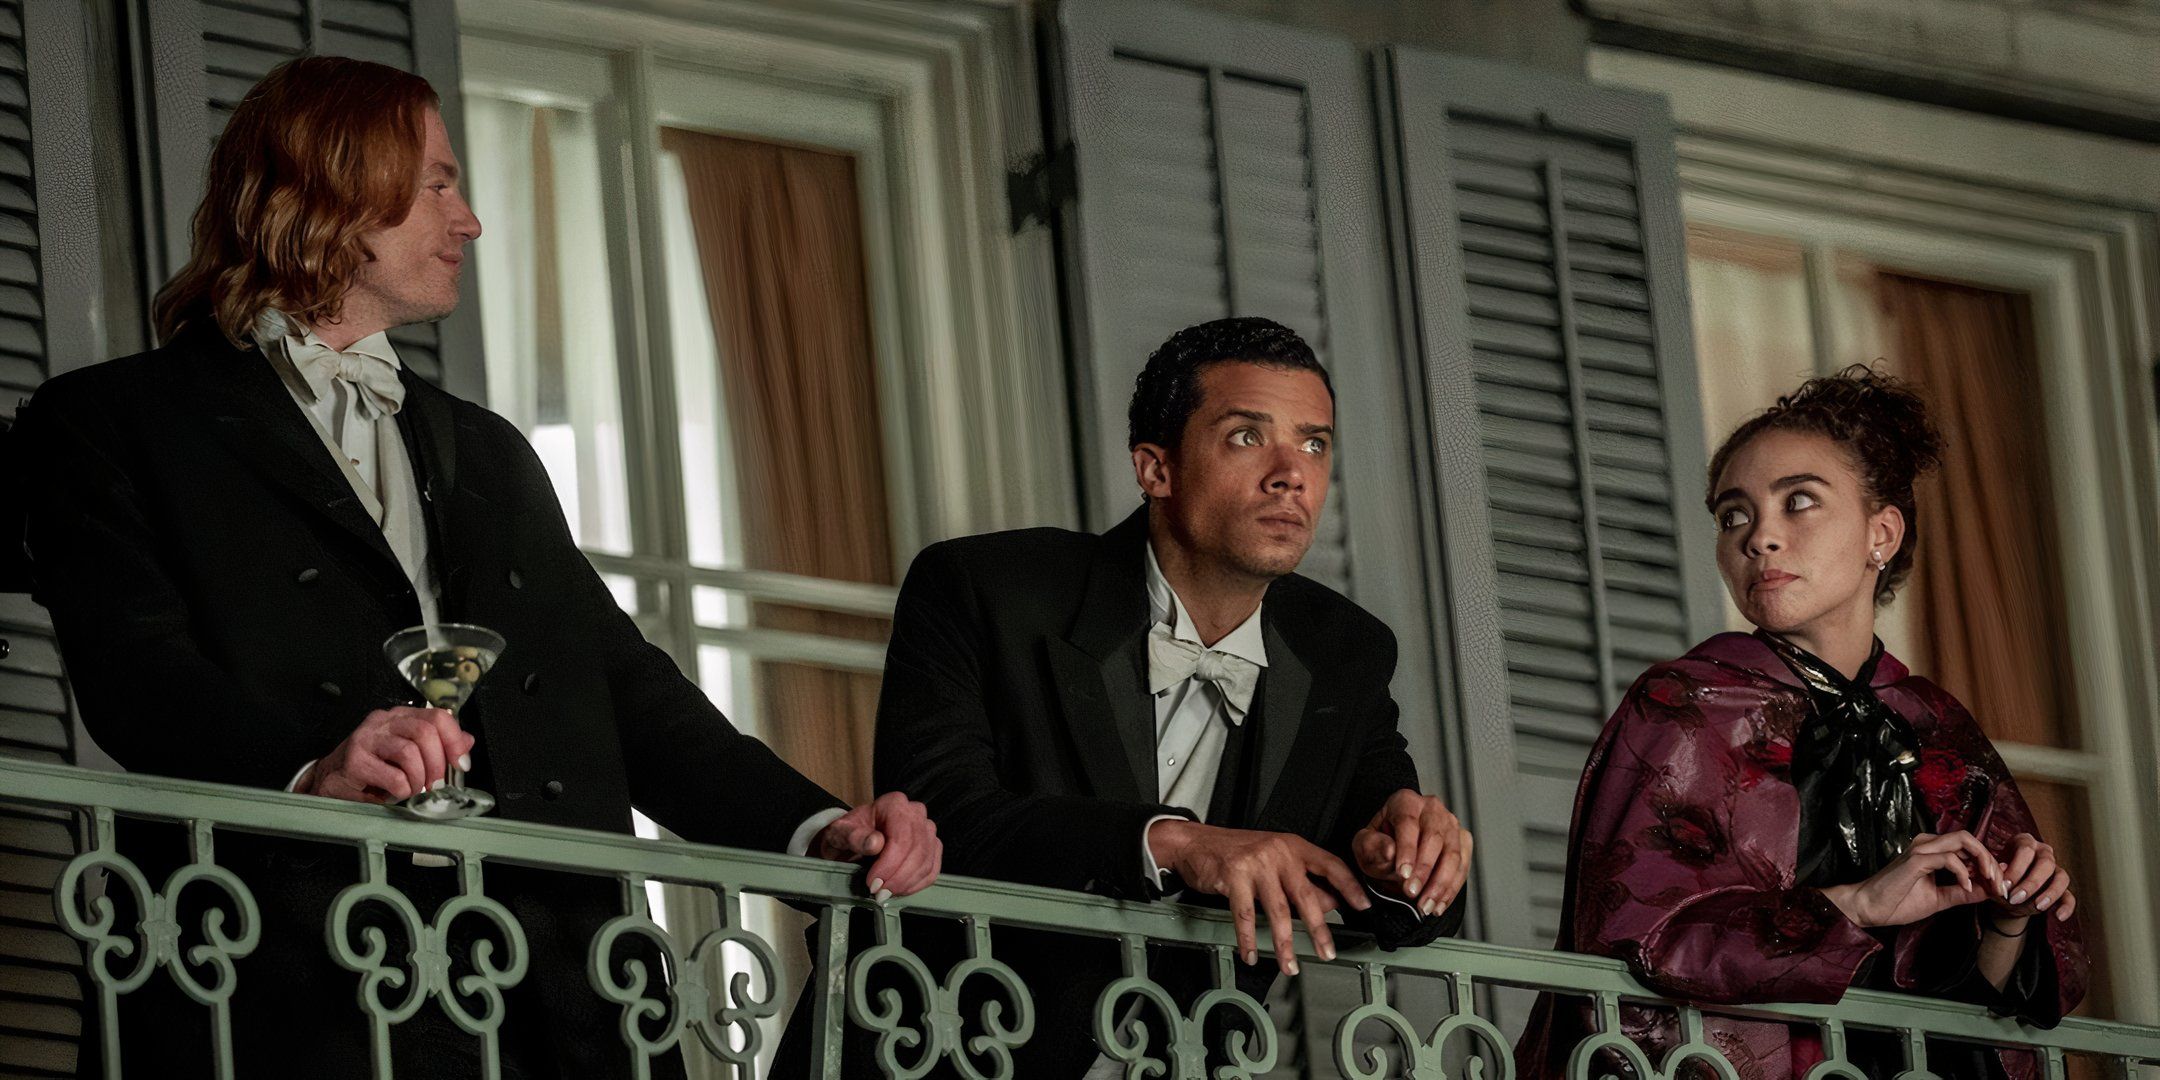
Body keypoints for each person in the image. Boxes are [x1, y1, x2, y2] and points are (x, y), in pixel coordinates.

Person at [16, 56, 939, 1079]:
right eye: (439, 184)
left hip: (559, 995)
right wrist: (307, 776)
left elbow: (626, 694)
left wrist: (815, 829)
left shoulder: (487, 449)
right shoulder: (114, 423)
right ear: (329, 183)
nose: (470, 222)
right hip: (281, 974)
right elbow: (135, 670)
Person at [776, 317, 1473, 1078]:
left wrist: (1408, 860)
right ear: (1156, 468)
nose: (1291, 474)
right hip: (926, 1051)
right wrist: (1174, 842)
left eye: (1314, 443)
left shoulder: (1346, 652)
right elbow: (946, 820)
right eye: (1247, 436)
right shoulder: (985, 589)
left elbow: (1408, 907)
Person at [1514, 366, 2088, 1080]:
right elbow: (1629, 950)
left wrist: (2010, 918)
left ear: (1882, 532)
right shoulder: (1683, 704)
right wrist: (1856, 904)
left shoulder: (1938, 726)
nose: (1761, 538)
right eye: (1735, 515)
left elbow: (1972, 1021)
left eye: (1800, 502)